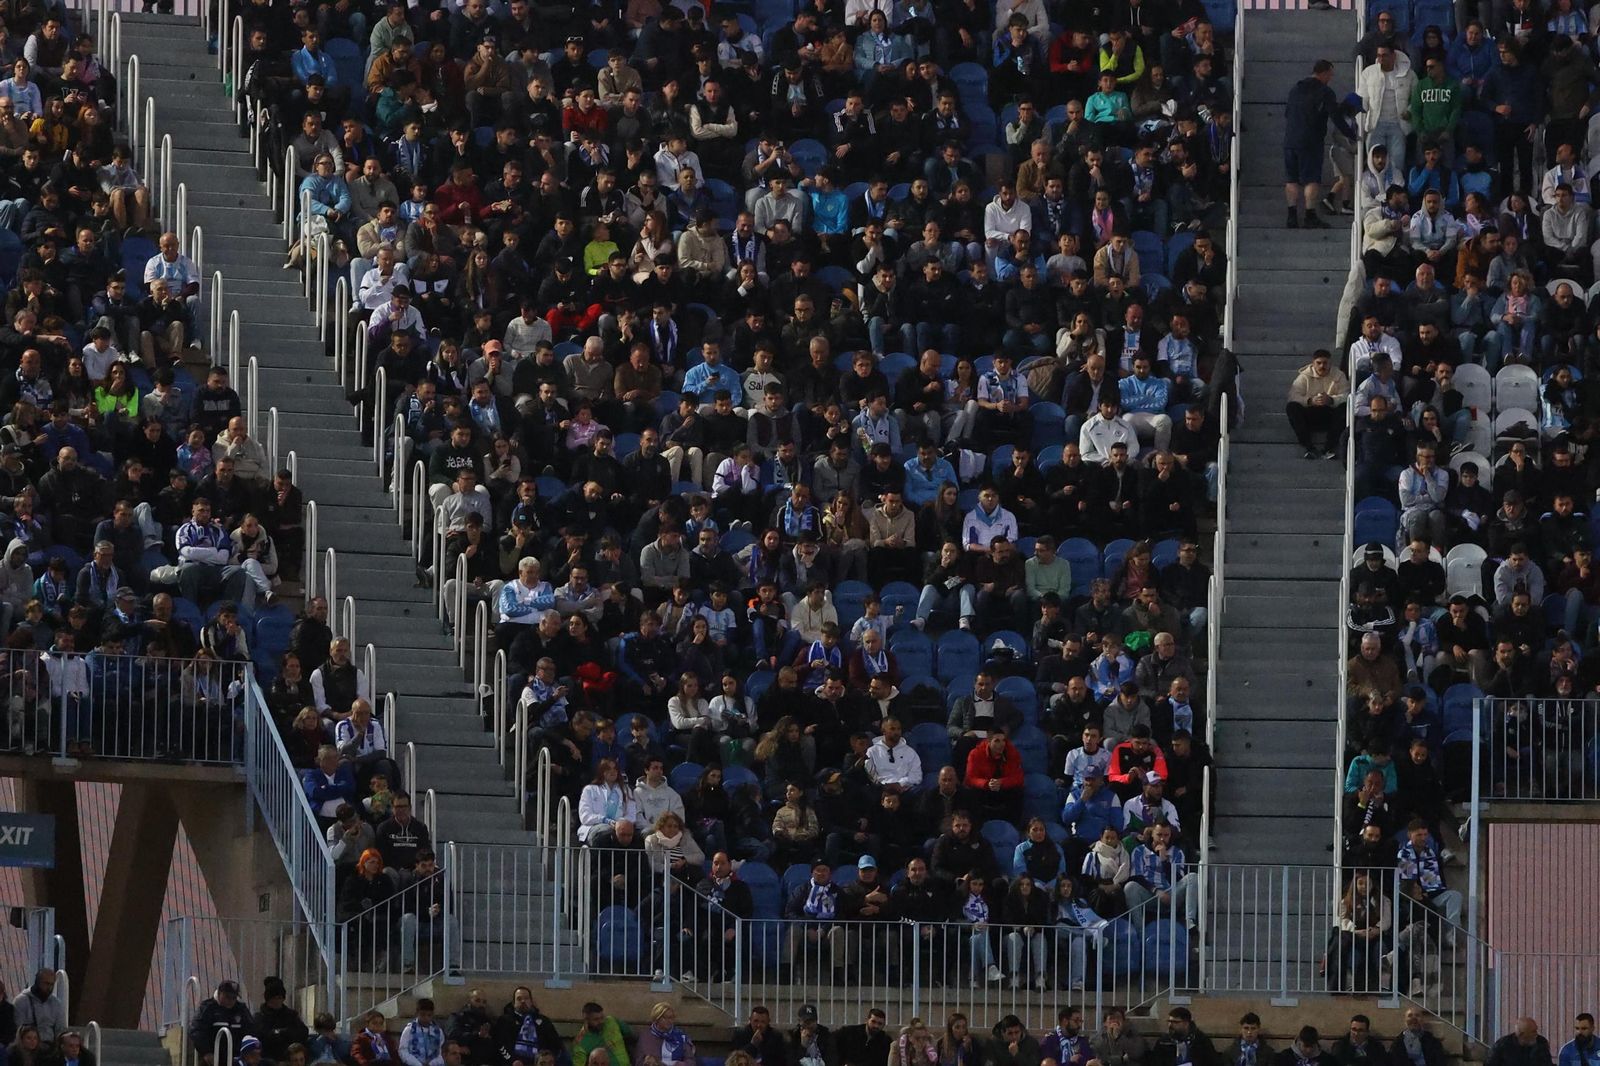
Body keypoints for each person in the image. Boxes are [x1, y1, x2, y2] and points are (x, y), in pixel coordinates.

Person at [1283, 60, 1337, 229]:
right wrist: (1352, 135)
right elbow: (1336, 116)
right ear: (1324, 73)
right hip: (1311, 141)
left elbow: (1287, 113)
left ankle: (1291, 215)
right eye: (1330, 74)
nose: (1331, 78)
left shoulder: (1295, 89)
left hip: (1290, 139)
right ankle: (1309, 214)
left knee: (1291, 179)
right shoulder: (1325, 92)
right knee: (1311, 179)